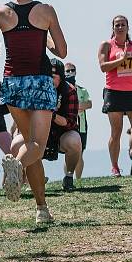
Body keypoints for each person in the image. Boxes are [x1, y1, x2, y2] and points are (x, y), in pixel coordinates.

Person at [0, 0, 67, 226]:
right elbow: (62, 51)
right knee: (37, 148)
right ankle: (17, 166)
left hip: (13, 82)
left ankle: (42, 209)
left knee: (30, 142)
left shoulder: (0, 13)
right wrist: (47, 40)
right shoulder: (46, 11)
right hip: (40, 81)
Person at [98, 15, 132, 177]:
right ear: (113, 28)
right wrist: (120, 60)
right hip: (113, 92)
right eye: (117, 25)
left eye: (123, 25)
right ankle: (115, 167)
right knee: (116, 132)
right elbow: (103, 67)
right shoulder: (106, 45)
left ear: (128, 27)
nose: (120, 27)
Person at [37, 59, 80, 191]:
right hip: (39, 134)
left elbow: (71, 122)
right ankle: (33, 179)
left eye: (53, 77)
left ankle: (68, 177)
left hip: (61, 134)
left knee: (74, 141)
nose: (49, 80)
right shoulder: (37, 89)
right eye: (47, 76)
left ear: (61, 77)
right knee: (17, 143)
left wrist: (52, 115)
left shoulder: (70, 91)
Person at [64, 62, 91, 180]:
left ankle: (78, 179)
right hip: (68, 125)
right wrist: (78, 106)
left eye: (72, 70)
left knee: (80, 154)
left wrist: (75, 106)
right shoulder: (63, 89)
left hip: (82, 126)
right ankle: (68, 176)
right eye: (67, 71)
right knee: (69, 153)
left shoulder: (82, 90)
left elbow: (89, 104)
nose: (70, 73)